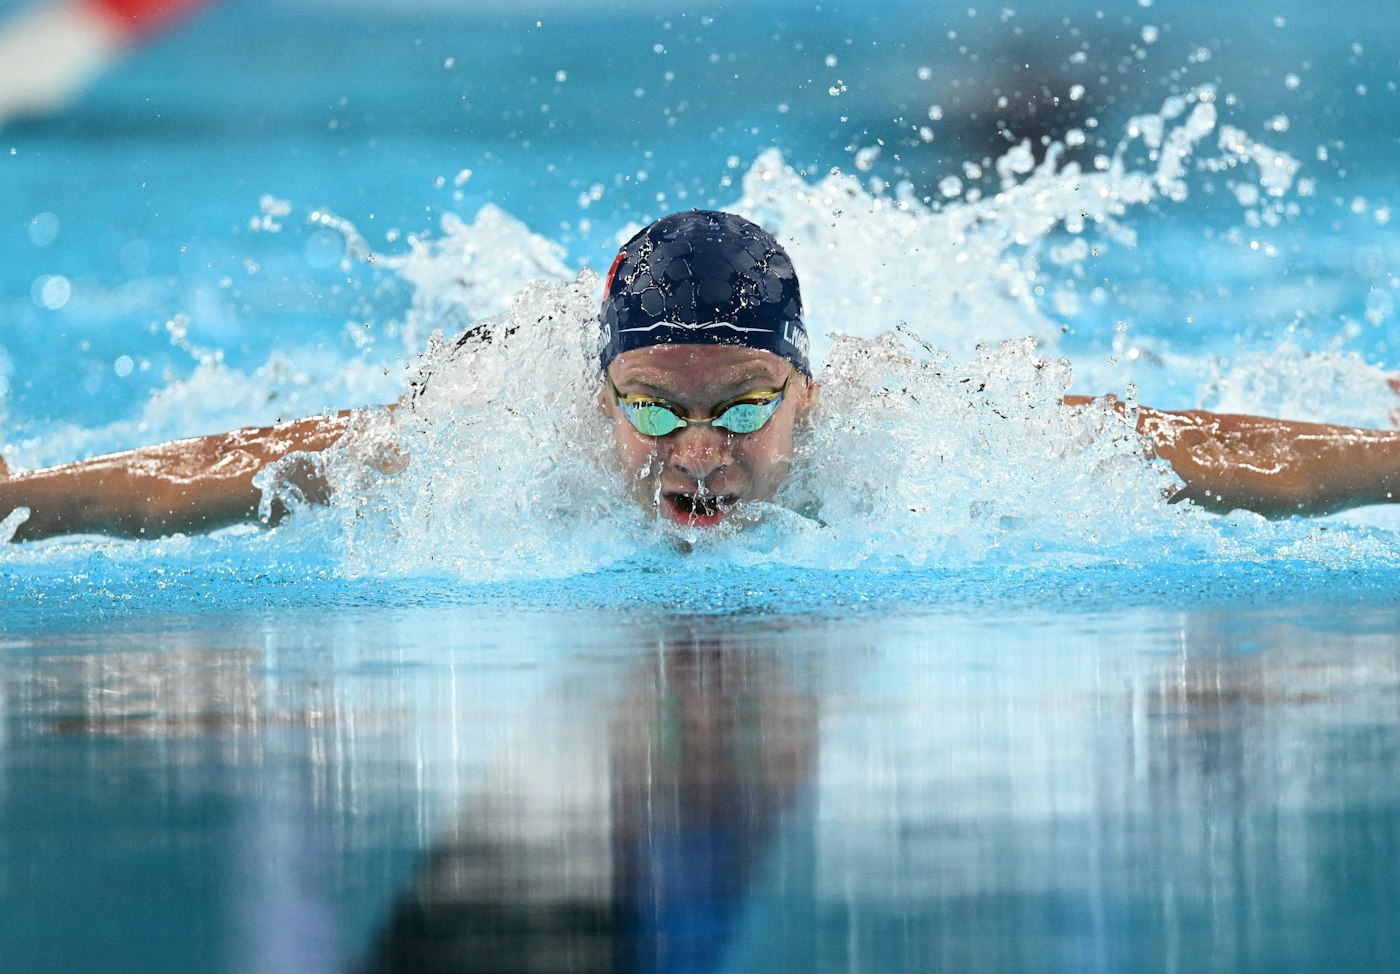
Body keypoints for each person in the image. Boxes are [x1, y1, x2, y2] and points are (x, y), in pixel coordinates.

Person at [2, 209, 1399, 543]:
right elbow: (259, 460)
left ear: (809, 395)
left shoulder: (915, 433)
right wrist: (30, 501)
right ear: (597, 396)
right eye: (653, 411)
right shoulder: (504, 434)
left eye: (741, 411)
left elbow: (1187, 446)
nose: (696, 460)